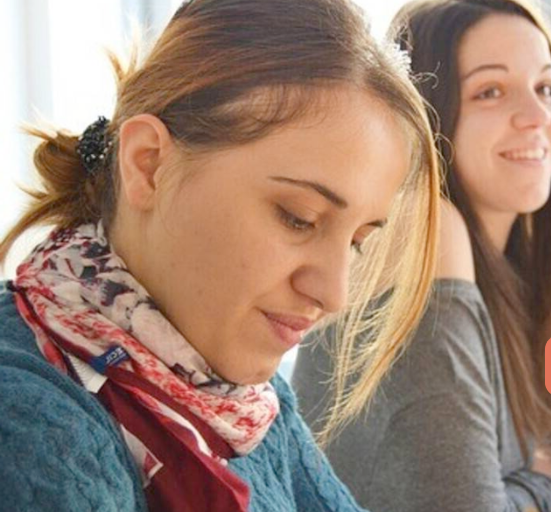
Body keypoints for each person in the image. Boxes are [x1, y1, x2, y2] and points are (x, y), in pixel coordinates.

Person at [0, 0, 441, 510]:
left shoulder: (236, 397)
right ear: (149, 165)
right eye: (298, 217)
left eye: (358, 241)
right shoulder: (32, 428)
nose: (334, 294)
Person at [292, 1, 551, 511]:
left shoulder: (506, 268)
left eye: (545, 88)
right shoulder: (424, 227)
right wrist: (543, 486)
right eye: (490, 91)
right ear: (428, 112)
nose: (539, 117)